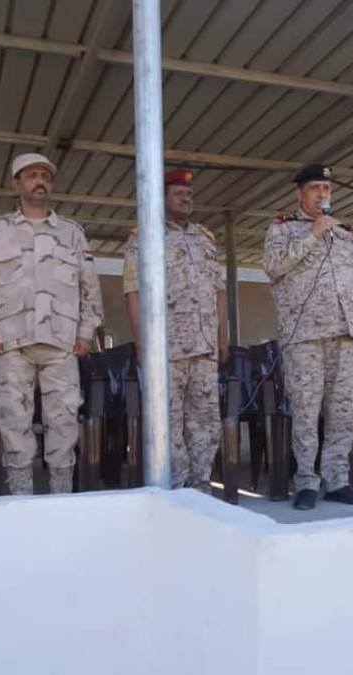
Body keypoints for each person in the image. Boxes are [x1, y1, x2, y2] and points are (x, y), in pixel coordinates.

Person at [0, 153, 102, 495]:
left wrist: (86, 331)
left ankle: (61, 495)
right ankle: (21, 496)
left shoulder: (72, 233)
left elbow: (90, 286)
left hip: (61, 342)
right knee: (14, 419)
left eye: (45, 175)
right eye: (31, 175)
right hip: (12, 342)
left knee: (63, 420)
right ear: (17, 184)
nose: (39, 181)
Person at [263, 163, 353, 511]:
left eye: (326, 189)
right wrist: (312, 234)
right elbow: (274, 268)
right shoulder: (283, 230)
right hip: (304, 336)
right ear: (300, 194)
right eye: (315, 189)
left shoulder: (344, 234)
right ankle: (307, 481)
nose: (323, 195)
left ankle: (337, 479)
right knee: (307, 412)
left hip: (343, 335)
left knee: (341, 412)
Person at [123, 168, 228, 492]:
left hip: (205, 348)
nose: (187, 198)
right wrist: (142, 342)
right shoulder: (145, 237)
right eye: (179, 193)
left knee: (206, 423)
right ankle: (177, 490)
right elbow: (133, 291)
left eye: (189, 193)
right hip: (166, 349)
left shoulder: (205, 239)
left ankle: (201, 488)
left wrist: (223, 337)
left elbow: (219, 291)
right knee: (169, 422)